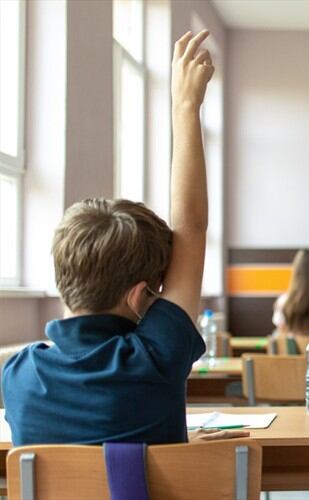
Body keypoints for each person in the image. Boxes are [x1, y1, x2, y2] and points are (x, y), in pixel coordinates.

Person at [3, 31, 244, 445]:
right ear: (137, 295)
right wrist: (185, 106)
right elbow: (191, 227)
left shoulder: (19, 374)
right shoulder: (155, 356)